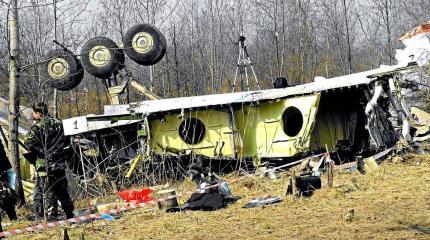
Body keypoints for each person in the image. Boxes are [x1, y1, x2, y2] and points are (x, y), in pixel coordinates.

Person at [24, 101, 74, 221]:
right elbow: (67, 141)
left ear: (39, 113)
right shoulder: (59, 123)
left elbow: (28, 142)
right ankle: (69, 213)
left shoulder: (38, 126)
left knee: (49, 191)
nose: (34, 116)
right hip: (60, 162)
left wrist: (41, 150)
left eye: (34, 113)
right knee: (62, 190)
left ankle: (52, 217)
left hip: (45, 164)